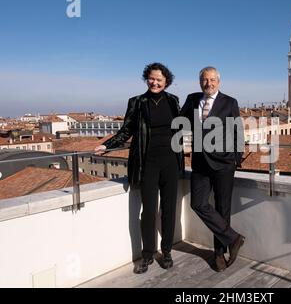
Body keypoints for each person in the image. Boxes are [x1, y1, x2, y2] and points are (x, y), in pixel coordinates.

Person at [94, 62, 183, 274]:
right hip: (147, 163)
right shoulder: (137, 102)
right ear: (147, 79)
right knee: (149, 211)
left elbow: (182, 127)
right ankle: (148, 254)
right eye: (151, 78)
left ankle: (167, 251)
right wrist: (107, 145)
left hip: (171, 161)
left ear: (166, 82)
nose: (155, 82)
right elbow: (126, 130)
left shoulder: (173, 101)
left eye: (159, 79)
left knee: (169, 210)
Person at [180, 66, 245, 272]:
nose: (208, 83)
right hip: (199, 163)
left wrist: (236, 159)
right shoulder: (192, 99)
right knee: (198, 203)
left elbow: (238, 132)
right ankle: (233, 239)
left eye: (212, 80)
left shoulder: (229, 102)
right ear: (200, 82)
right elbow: (179, 123)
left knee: (222, 208)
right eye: (204, 80)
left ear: (218, 81)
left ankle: (219, 253)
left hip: (224, 164)